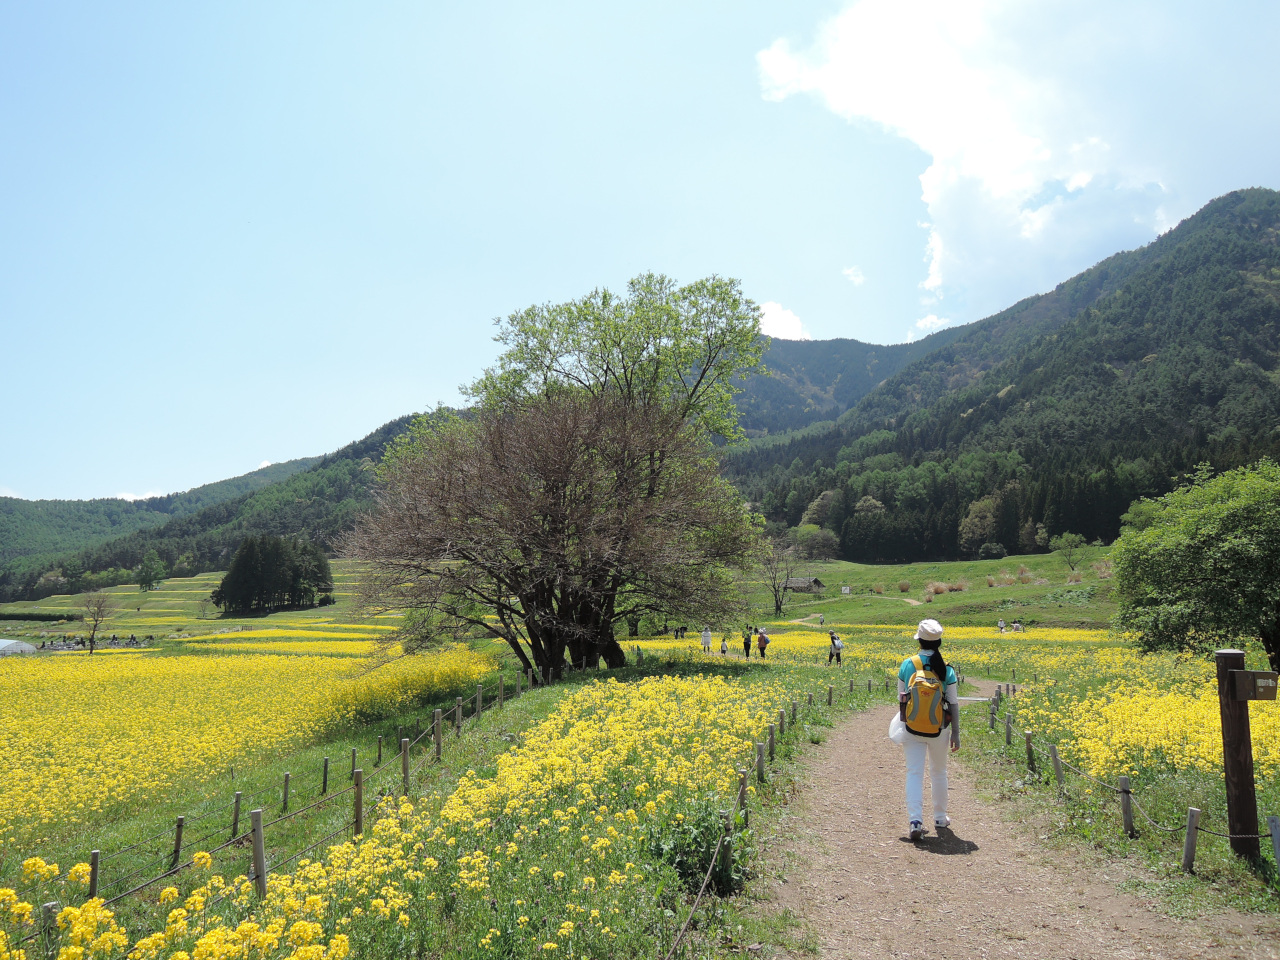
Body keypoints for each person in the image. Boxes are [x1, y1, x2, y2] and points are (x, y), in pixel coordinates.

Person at [897, 618, 960, 841]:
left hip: (912, 727)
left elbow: (901, 699)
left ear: (919, 640)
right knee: (939, 772)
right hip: (939, 728)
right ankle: (940, 817)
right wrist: (956, 733)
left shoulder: (908, 664)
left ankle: (915, 820)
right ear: (939, 642)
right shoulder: (946, 669)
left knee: (914, 773)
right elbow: (953, 703)